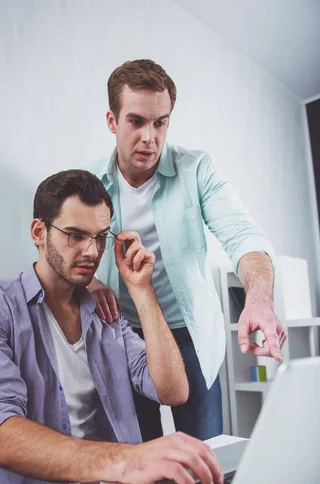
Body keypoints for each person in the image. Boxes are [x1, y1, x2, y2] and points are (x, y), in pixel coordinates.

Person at [0, 169, 223, 484]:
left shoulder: (107, 316)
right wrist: (128, 460)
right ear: (39, 233)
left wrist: (142, 291)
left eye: (101, 237)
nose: (92, 251)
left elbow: (173, 391)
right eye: (75, 236)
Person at [89, 59, 287, 442]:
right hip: (125, 337)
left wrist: (259, 299)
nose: (149, 137)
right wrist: (87, 286)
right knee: (141, 458)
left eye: (160, 123)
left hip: (190, 335)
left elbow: (243, 235)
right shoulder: (90, 183)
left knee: (204, 458)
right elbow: (67, 252)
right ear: (112, 121)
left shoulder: (198, 170)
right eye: (136, 122)